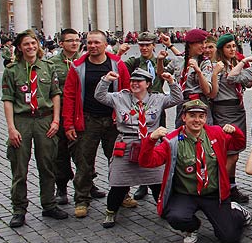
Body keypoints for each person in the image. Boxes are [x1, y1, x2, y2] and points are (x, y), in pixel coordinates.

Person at [138, 99, 252, 243]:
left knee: (230, 238)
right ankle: (192, 227)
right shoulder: (172, 140)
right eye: (192, 115)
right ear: (183, 117)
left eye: (201, 116)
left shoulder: (216, 133)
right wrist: (151, 140)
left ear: (205, 118)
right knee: (174, 216)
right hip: (186, 194)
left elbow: (239, 144)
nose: (197, 120)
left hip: (213, 194)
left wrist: (236, 132)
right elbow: (147, 162)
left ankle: (237, 211)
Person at [95, 68, 181, 227]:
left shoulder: (157, 99)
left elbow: (177, 98)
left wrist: (171, 82)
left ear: (148, 84)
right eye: (132, 81)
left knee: (156, 181)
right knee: (119, 182)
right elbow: (99, 96)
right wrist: (105, 80)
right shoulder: (121, 97)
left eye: (139, 81)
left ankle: (164, 208)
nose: (134, 84)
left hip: (149, 144)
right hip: (127, 142)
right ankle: (111, 212)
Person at [2, 29, 68, 227]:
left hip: (44, 120)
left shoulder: (47, 67)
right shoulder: (12, 70)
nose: (30, 47)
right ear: (20, 48)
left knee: (47, 164)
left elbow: (55, 94)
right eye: (26, 44)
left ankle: (48, 204)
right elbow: (8, 100)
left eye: (33, 43)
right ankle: (19, 209)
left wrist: (56, 120)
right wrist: (11, 128)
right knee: (19, 168)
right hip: (22, 120)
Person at [62, 30, 131, 218]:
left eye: (96, 43)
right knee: (84, 161)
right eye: (90, 43)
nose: (92, 46)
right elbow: (69, 96)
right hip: (88, 119)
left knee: (117, 160)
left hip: (112, 120)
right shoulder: (78, 66)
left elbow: (126, 91)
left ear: (104, 44)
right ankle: (82, 199)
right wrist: (68, 124)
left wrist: (126, 117)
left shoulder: (117, 64)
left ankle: (122, 194)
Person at [118, 31, 170, 201]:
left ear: (153, 46)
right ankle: (142, 184)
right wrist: (118, 53)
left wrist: (164, 56)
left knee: (156, 141)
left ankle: (155, 179)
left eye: (147, 45)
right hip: (138, 105)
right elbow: (117, 67)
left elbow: (167, 72)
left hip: (157, 105)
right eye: (141, 45)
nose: (144, 48)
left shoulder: (160, 59)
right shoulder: (134, 61)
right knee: (140, 140)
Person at [210, 33, 249, 203]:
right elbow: (213, 91)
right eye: (228, 47)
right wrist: (215, 74)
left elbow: (248, 84)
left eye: (234, 46)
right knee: (229, 154)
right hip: (224, 109)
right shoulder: (217, 65)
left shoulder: (235, 63)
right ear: (221, 49)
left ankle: (231, 186)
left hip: (238, 109)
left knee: (236, 152)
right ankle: (220, 187)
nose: (232, 49)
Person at [49, 28, 82, 205]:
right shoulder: (51, 63)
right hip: (61, 113)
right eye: (70, 40)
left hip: (81, 114)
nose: (74, 43)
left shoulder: (84, 60)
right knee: (60, 152)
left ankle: (86, 184)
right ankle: (61, 187)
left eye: (76, 40)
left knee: (83, 151)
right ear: (61, 43)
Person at [159, 29, 213, 127]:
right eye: (201, 43)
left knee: (201, 135)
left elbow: (207, 90)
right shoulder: (179, 59)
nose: (204, 46)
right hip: (182, 102)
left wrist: (198, 71)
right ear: (191, 44)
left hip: (198, 102)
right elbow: (161, 74)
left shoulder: (205, 62)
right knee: (181, 133)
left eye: (204, 42)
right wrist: (160, 61)